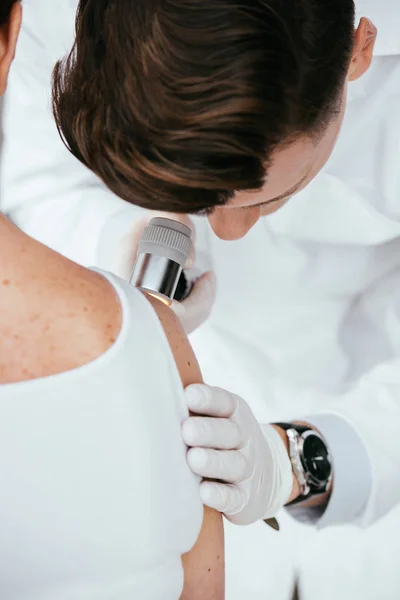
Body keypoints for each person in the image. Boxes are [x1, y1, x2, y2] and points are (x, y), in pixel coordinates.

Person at [3, 0, 400, 576]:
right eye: (209, 202)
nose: (230, 235)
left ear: (359, 49)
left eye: (265, 198)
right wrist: (115, 244)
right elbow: (42, 179)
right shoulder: (51, 16)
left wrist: (299, 462)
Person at [0, 2, 224, 598]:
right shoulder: (149, 348)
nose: (232, 227)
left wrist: (316, 458)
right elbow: (37, 166)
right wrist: (114, 241)